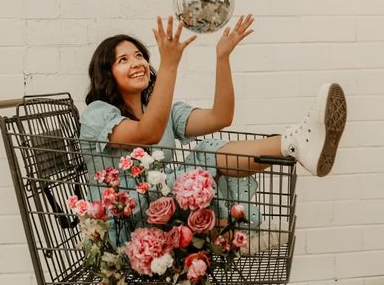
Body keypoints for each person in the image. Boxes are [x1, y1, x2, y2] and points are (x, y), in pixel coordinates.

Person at [79, 15, 347, 248]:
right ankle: (232, 236)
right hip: (124, 225)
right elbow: (147, 133)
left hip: (162, 213)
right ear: (107, 74)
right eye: (123, 60)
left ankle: (294, 144)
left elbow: (220, 117)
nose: (136, 62)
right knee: (195, 169)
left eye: (139, 56)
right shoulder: (99, 114)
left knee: (206, 151)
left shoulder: (161, 110)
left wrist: (222, 58)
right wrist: (170, 64)